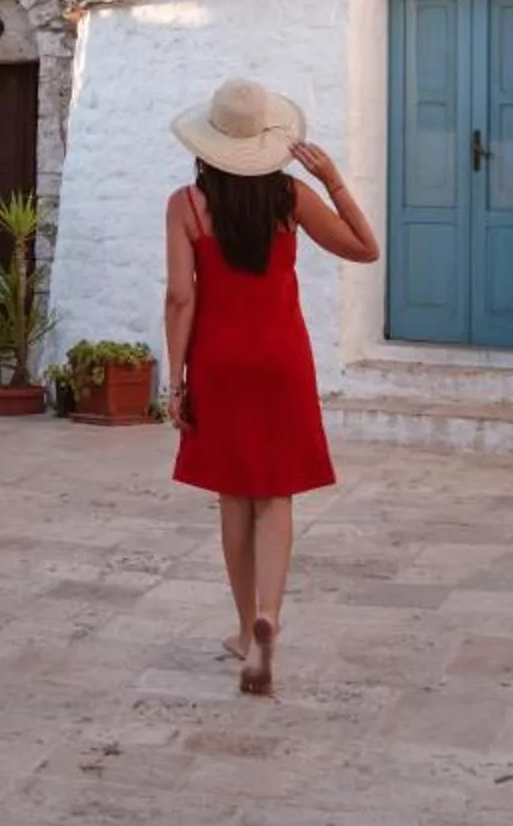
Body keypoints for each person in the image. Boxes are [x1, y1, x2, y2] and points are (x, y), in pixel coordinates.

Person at [163, 76, 380, 696]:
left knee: (234, 495)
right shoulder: (291, 196)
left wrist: (175, 378)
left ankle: (240, 627)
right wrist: (333, 179)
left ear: (207, 146)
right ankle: (270, 617)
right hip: (283, 358)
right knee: (276, 495)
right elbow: (366, 249)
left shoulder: (185, 205)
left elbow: (181, 296)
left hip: (219, 361)